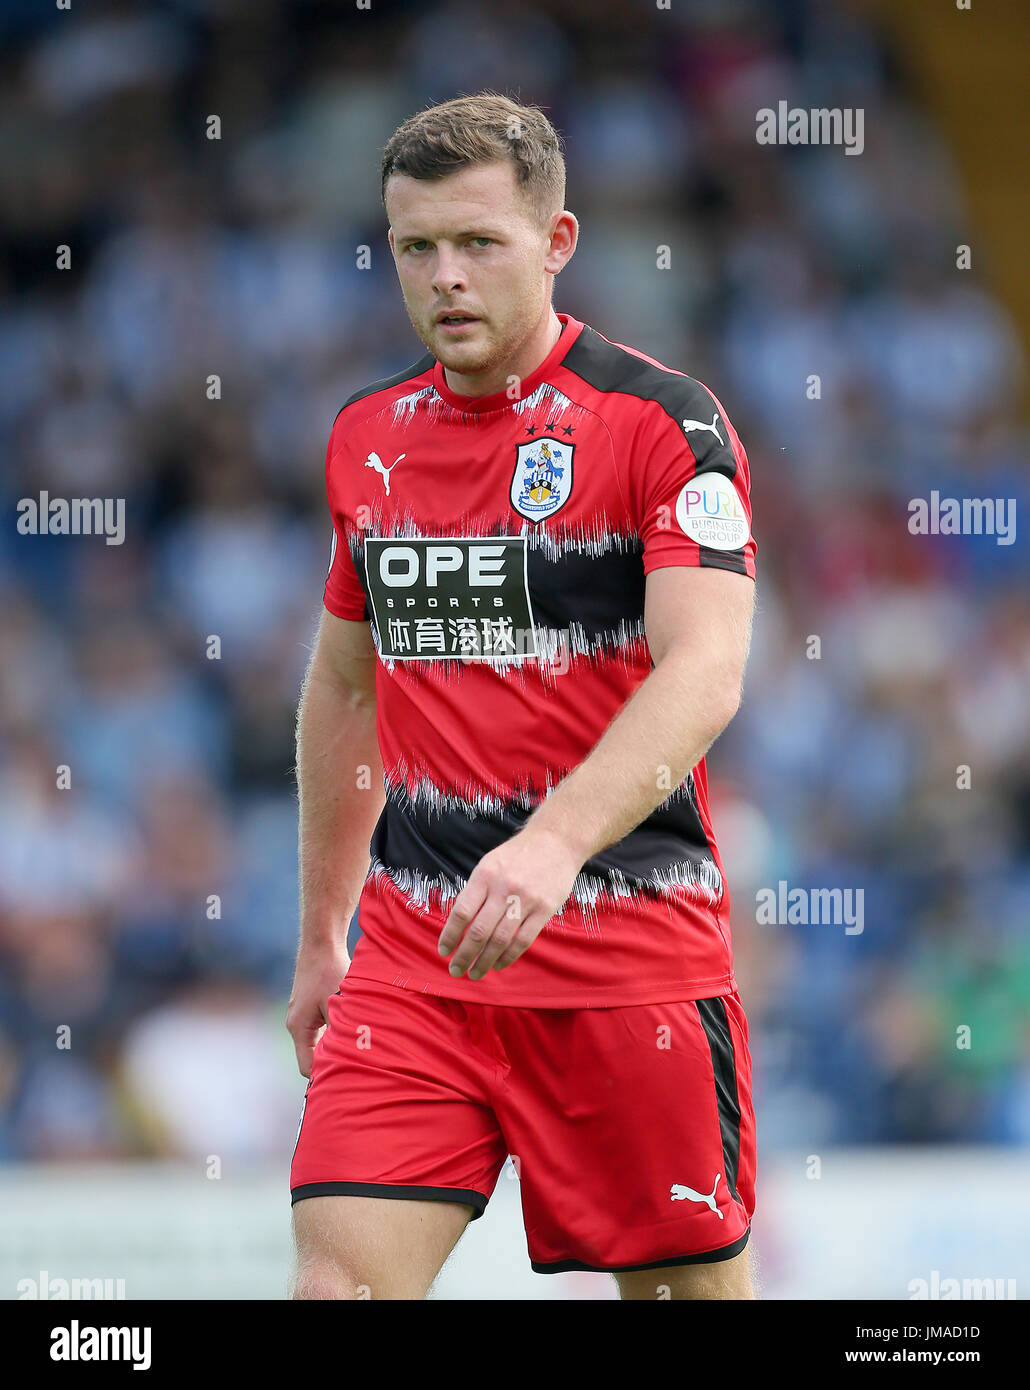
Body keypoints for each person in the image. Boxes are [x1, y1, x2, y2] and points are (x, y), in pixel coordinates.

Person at [286, 91, 758, 1300]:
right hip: (414, 958)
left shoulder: (662, 424)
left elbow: (702, 668)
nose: (445, 277)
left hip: (623, 958)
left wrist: (551, 845)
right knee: (334, 1285)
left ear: (554, 243)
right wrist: (321, 933)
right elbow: (345, 689)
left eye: (478, 243)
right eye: (416, 247)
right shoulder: (364, 438)